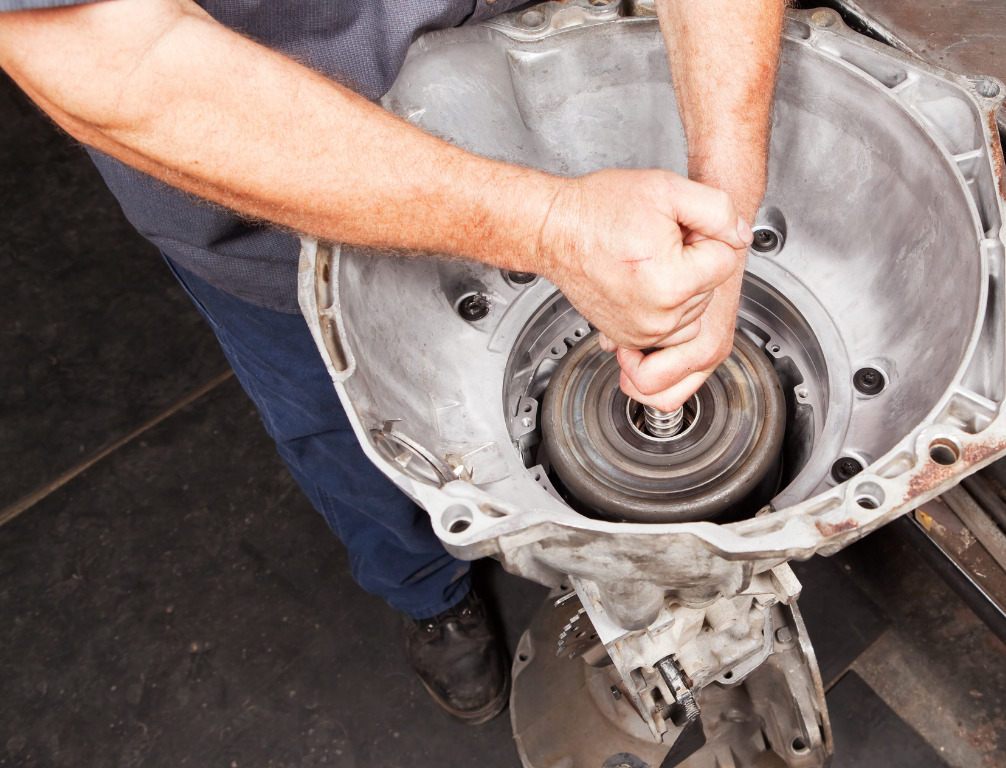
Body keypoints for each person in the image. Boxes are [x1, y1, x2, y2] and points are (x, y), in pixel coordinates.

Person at [0, 0, 783, 723]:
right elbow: (110, 55)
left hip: (550, 95)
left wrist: (723, 208)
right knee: (344, 435)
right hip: (276, 206)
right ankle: (429, 595)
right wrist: (549, 229)